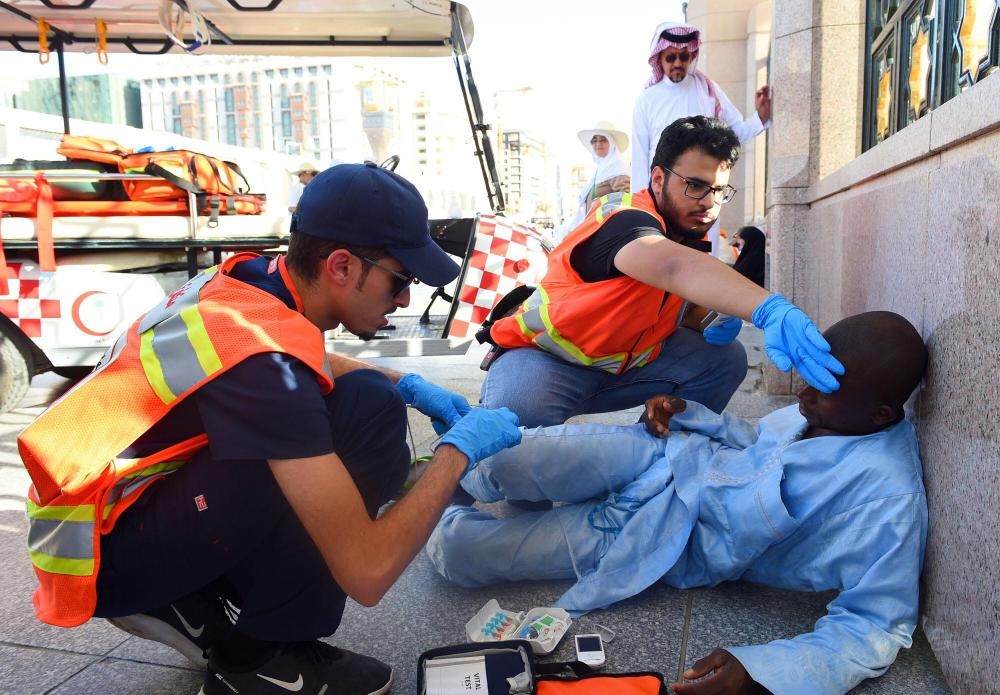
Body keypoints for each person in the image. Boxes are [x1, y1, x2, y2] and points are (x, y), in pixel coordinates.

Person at [18, 162, 523, 695]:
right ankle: (258, 660)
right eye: (401, 280)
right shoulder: (267, 370)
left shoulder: (249, 282)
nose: (404, 300)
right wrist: (456, 453)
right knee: (367, 416)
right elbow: (368, 572)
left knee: (370, 395)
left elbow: (295, 354)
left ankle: (189, 598)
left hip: (113, 518)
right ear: (342, 266)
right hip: (105, 559)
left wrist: (409, 385)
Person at [430, 311, 929, 695]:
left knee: (461, 554)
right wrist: (687, 412)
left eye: (823, 389)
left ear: (881, 412)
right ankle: (446, 479)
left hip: (663, 535)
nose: (803, 394)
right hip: (663, 454)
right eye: (807, 374)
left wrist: (762, 673)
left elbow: (875, 625)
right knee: (504, 456)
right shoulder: (840, 411)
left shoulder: (888, 502)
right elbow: (756, 442)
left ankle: (438, 517)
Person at [480, 116, 842, 430]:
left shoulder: (686, 234)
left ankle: (657, 448)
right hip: (545, 364)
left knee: (725, 360)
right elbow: (670, 266)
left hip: (620, 368)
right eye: (695, 185)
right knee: (511, 441)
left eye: (718, 190)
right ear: (657, 178)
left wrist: (707, 315)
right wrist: (768, 308)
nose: (709, 202)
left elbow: (668, 304)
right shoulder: (623, 217)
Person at [630, 22, 772, 256]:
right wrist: (640, 209)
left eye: (684, 57)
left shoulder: (708, 91)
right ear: (660, 58)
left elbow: (733, 135)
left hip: (703, 191)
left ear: (692, 56)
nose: (677, 63)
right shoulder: (647, 100)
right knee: (662, 258)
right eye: (671, 57)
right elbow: (639, 157)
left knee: (701, 257)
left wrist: (761, 118)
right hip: (664, 194)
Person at [554, 121, 631, 245]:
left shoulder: (617, 167)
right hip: (595, 230)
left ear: (611, 142)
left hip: (605, 233)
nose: (598, 144)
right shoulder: (601, 170)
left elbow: (625, 199)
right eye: (594, 140)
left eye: (603, 140)